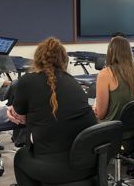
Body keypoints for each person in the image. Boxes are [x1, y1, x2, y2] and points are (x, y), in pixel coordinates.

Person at [7, 37, 97, 185]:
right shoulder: (73, 82)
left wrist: (12, 111)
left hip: (51, 167)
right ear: (63, 60)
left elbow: (19, 117)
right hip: (85, 163)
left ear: (37, 59)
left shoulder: (27, 81)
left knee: (20, 158)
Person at [94, 36, 134, 121]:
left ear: (110, 51)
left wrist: (95, 108)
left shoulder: (105, 73)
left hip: (111, 130)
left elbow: (100, 115)